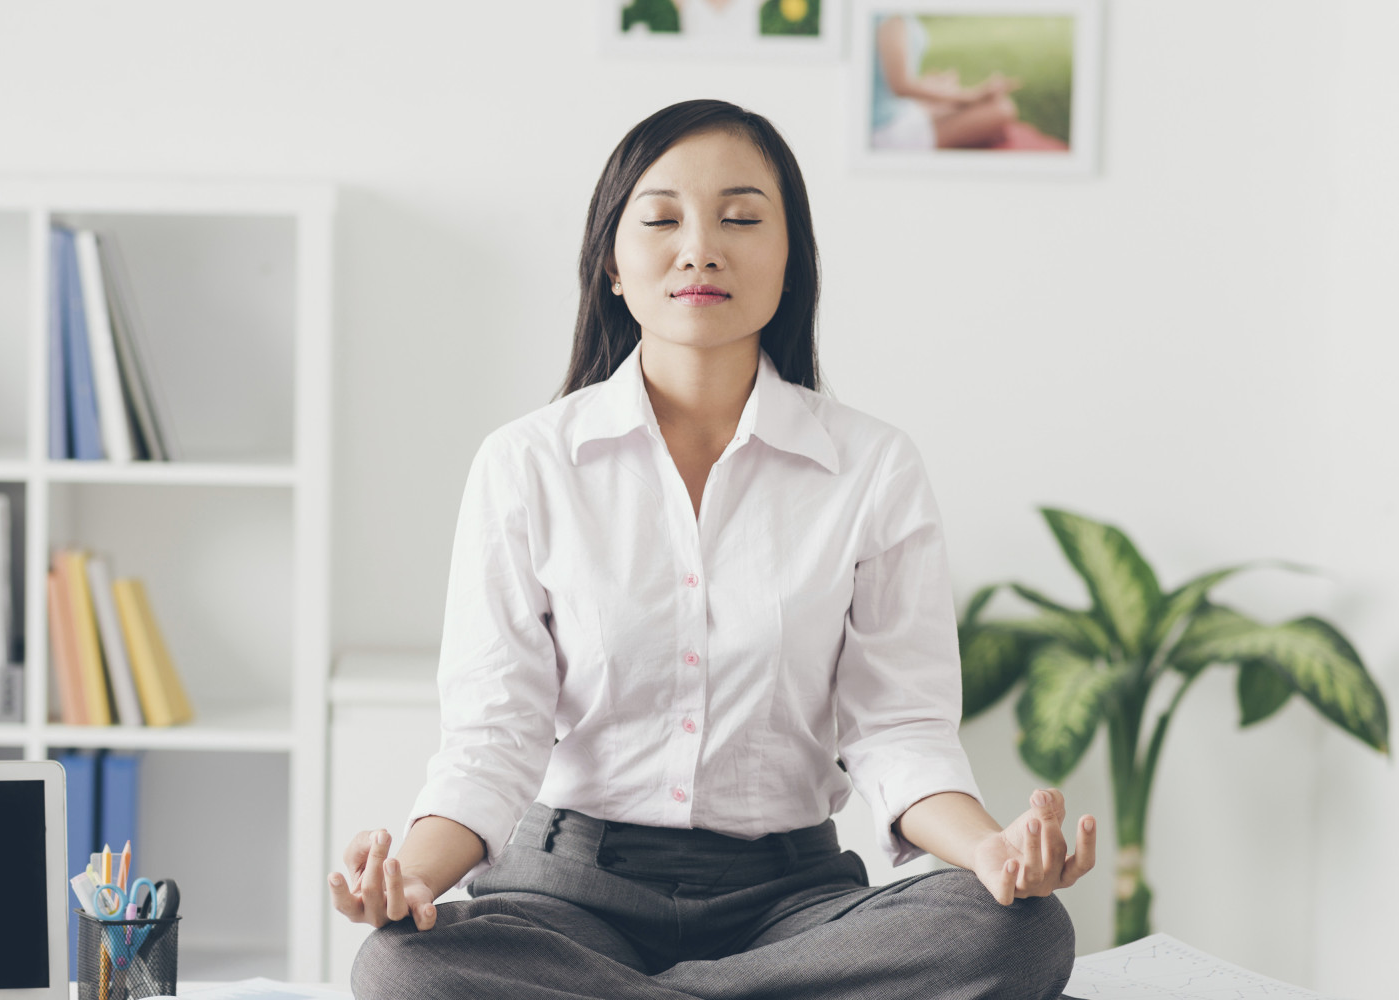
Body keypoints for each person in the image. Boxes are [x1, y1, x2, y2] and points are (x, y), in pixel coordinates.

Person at [332, 99, 1090, 999]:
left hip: (788, 903)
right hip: (568, 896)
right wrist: (413, 877)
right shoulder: (525, 463)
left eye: (740, 218)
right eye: (660, 219)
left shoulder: (873, 467)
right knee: (399, 969)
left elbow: (900, 730)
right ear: (611, 265)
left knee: (1020, 936)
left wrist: (992, 851)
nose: (700, 247)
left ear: (790, 261)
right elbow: (495, 733)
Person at [870, 12, 1022, 149]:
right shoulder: (891, 14)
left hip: (895, 113)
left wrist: (932, 85)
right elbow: (900, 87)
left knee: (949, 88)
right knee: (1002, 108)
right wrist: (970, 97)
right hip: (887, 131)